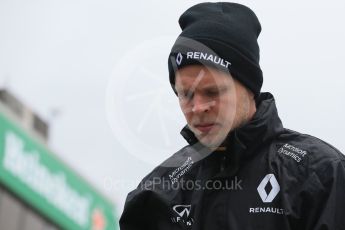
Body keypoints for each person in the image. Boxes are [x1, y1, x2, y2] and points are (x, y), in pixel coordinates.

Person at [119, 2, 345, 229]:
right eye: (186, 94)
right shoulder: (157, 192)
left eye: (212, 91)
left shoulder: (321, 174)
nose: (197, 107)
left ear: (249, 88)